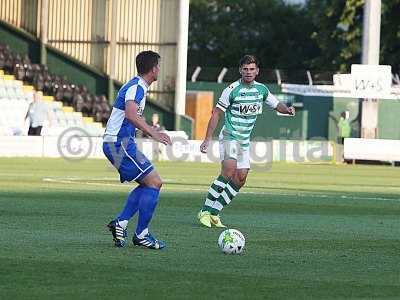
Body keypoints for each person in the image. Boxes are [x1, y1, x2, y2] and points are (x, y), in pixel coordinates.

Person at [197, 55, 295, 228]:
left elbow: (276, 104)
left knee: (241, 178)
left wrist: (287, 110)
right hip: (229, 135)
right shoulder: (232, 90)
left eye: (252, 69)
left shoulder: (262, 90)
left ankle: (214, 213)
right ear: (240, 70)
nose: (248, 72)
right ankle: (204, 211)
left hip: (244, 140)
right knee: (228, 171)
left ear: (257, 71)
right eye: (245, 69)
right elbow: (217, 113)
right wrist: (207, 138)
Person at [102, 51, 172, 249]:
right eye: (158, 66)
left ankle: (121, 223)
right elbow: (132, 115)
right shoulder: (136, 87)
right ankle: (141, 234)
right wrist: (154, 133)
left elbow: (132, 115)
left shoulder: (136, 86)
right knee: (155, 182)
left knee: (148, 184)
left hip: (120, 143)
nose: (159, 69)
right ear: (153, 69)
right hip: (119, 144)